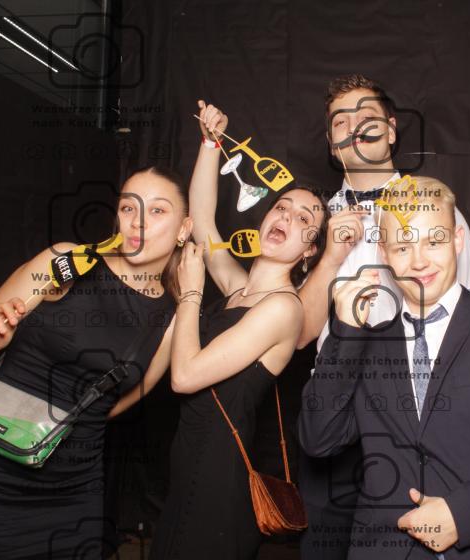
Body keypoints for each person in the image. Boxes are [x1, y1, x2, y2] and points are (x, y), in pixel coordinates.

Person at [299, 177, 470, 559]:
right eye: (403, 246)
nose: (419, 261)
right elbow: (319, 439)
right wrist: (344, 333)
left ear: (457, 240)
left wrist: (463, 515)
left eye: (434, 241)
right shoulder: (364, 344)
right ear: (383, 253)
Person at [296, 74, 470, 560]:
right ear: (331, 142)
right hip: (334, 413)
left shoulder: (437, 209)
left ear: (392, 129)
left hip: (414, 418)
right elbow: (298, 334)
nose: (355, 127)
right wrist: (330, 258)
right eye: (341, 121)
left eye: (367, 117)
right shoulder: (313, 219)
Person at [0, 166, 190, 558]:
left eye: (157, 211)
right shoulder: (66, 260)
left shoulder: (171, 321)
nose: (139, 222)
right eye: (129, 208)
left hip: (73, 492)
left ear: (185, 228)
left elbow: (117, 404)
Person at [148, 101, 329, 559]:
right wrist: (210, 143)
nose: (286, 218)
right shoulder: (237, 287)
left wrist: (191, 293)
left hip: (219, 475)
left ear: (310, 251)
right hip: (189, 457)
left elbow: (184, 377)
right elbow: (204, 221)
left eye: (304, 220)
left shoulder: (283, 309)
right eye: (282, 207)